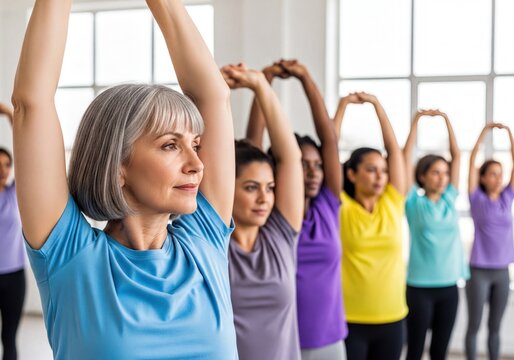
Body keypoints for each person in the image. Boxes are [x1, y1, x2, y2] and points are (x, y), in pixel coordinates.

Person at [11, 0, 237, 359]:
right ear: (117, 165)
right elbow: (31, 103)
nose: (197, 163)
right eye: (169, 145)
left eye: (195, 144)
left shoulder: (204, 239)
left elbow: (215, 96)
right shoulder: (71, 256)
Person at [246, 59, 347, 360]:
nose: (314, 173)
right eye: (303, 165)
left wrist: (306, 77)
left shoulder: (328, 206)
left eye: (317, 166)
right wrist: (262, 84)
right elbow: (251, 147)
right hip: (279, 342)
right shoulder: (268, 220)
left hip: (329, 339)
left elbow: (329, 139)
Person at [221, 63, 304, 360]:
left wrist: (261, 86)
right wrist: (216, 95)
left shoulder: (281, 235)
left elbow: (290, 158)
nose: (264, 199)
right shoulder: (209, 245)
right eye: (251, 188)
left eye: (270, 188)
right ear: (226, 188)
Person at [334, 92, 407, 360]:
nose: (380, 176)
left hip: (393, 316)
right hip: (349, 318)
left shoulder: (392, 201)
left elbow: (395, 151)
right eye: (371, 169)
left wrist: (378, 105)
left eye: (383, 170)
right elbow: (329, 150)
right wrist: (342, 106)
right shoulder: (340, 206)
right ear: (351, 174)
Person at [403, 109, 470, 360]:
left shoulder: (450, 200)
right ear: (422, 176)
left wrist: (446, 120)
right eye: (435, 172)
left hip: (449, 286)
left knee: (440, 352)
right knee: (415, 350)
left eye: (445, 172)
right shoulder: (413, 203)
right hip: (419, 287)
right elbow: (405, 156)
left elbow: (457, 156)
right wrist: (416, 122)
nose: (442, 178)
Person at [465, 123, 514, 360]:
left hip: (502, 272)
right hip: (479, 271)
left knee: (495, 329)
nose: (498, 178)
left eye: (500, 173)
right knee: (474, 326)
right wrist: (484, 132)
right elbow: (472, 161)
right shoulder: (476, 199)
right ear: (483, 178)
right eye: (492, 173)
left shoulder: (507, 197)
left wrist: (509, 135)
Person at [0, 103, 26, 360]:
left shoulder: (14, 194)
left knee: (9, 338)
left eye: (7, 164)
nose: (3, 169)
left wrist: (9, 114)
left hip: (14, 277)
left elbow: (26, 155)